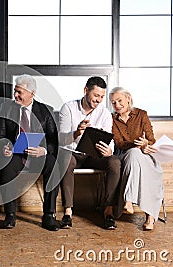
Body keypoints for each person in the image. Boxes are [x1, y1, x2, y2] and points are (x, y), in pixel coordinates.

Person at [0, 74, 61, 231]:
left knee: (53, 165)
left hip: (37, 155)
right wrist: (4, 146)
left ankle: (49, 215)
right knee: (7, 167)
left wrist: (43, 150)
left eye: (19, 92)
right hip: (15, 155)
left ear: (32, 93)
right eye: (15, 91)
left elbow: (54, 140)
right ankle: (10, 215)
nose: (15, 95)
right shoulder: (6, 108)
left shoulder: (45, 111)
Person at [59, 76, 121, 230]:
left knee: (115, 162)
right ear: (86, 91)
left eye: (101, 97)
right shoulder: (68, 108)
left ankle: (108, 211)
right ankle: (68, 212)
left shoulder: (105, 113)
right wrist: (76, 132)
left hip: (94, 156)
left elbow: (109, 139)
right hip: (73, 154)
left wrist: (109, 150)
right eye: (96, 95)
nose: (98, 100)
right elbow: (60, 139)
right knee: (66, 160)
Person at [110, 87, 163, 231]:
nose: (117, 105)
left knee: (149, 169)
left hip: (145, 155)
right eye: (113, 102)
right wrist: (136, 145)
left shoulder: (142, 114)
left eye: (119, 100)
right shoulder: (112, 119)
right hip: (123, 155)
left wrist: (146, 144)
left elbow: (151, 139)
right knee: (133, 153)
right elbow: (119, 143)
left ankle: (130, 200)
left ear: (128, 98)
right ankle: (149, 216)